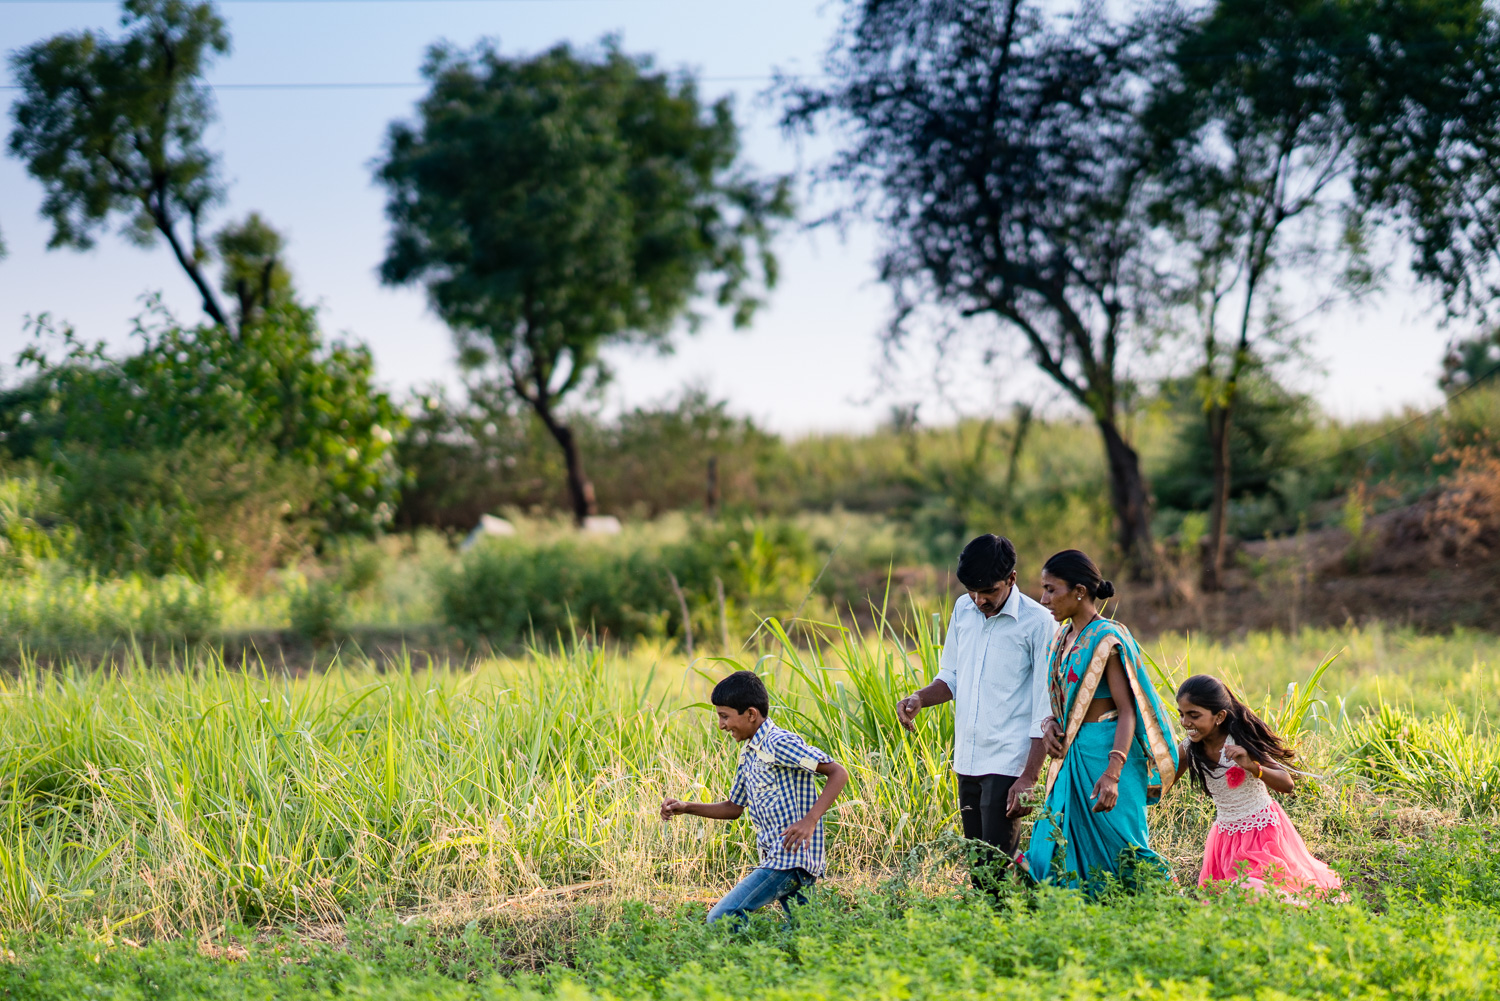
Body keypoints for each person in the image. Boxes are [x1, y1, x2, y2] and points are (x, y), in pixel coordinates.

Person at [895, 534, 1054, 885]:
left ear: (1011, 579)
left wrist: (1029, 776)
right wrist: (920, 698)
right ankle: (1040, 907)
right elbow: (950, 677)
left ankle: (1021, 921)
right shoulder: (963, 610)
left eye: (989, 592)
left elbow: (1045, 706)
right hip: (967, 758)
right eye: (972, 591)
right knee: (985, 865)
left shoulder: (1039, 622)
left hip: (1009, 760)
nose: (979, 600)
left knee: (994, 868)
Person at [1021, 549, 1179, 895]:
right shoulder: (1062, 638)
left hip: (1107, 752)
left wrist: (1113, 773)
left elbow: (1128, 710)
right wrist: (1049, 726)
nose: (1044, 599)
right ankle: (1078, 921)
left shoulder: (1107, 638)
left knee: (1123, 848)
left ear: (1079, 591)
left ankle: (1166, 911)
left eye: (1051, 589)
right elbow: (1062, 703)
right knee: (1054, 846)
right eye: (1043, 589)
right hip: (1072, 757)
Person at [661, 670, 850, 927]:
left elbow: (837, 772)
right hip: (779, 857)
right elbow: (733, 808)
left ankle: (738, 963)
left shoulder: (779, 743)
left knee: (722, 918)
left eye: (725, 716)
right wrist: (686, 807)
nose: (722, 725)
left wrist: (810, 821)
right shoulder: (749, 754)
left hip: (789, 860)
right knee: (806, 935)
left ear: (751, 714)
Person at [1176, 674, 1343, 898]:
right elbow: (1162, 784)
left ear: (1219, 716)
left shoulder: (1240, 741)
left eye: (1193, 715)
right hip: (1224, 838)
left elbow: (1286, 783)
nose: (1185, 722)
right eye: (1182, 715)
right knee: (1223, 901)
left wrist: (1253, 767)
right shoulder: (1189, 748)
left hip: (1262, 833)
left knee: (1253, 890)